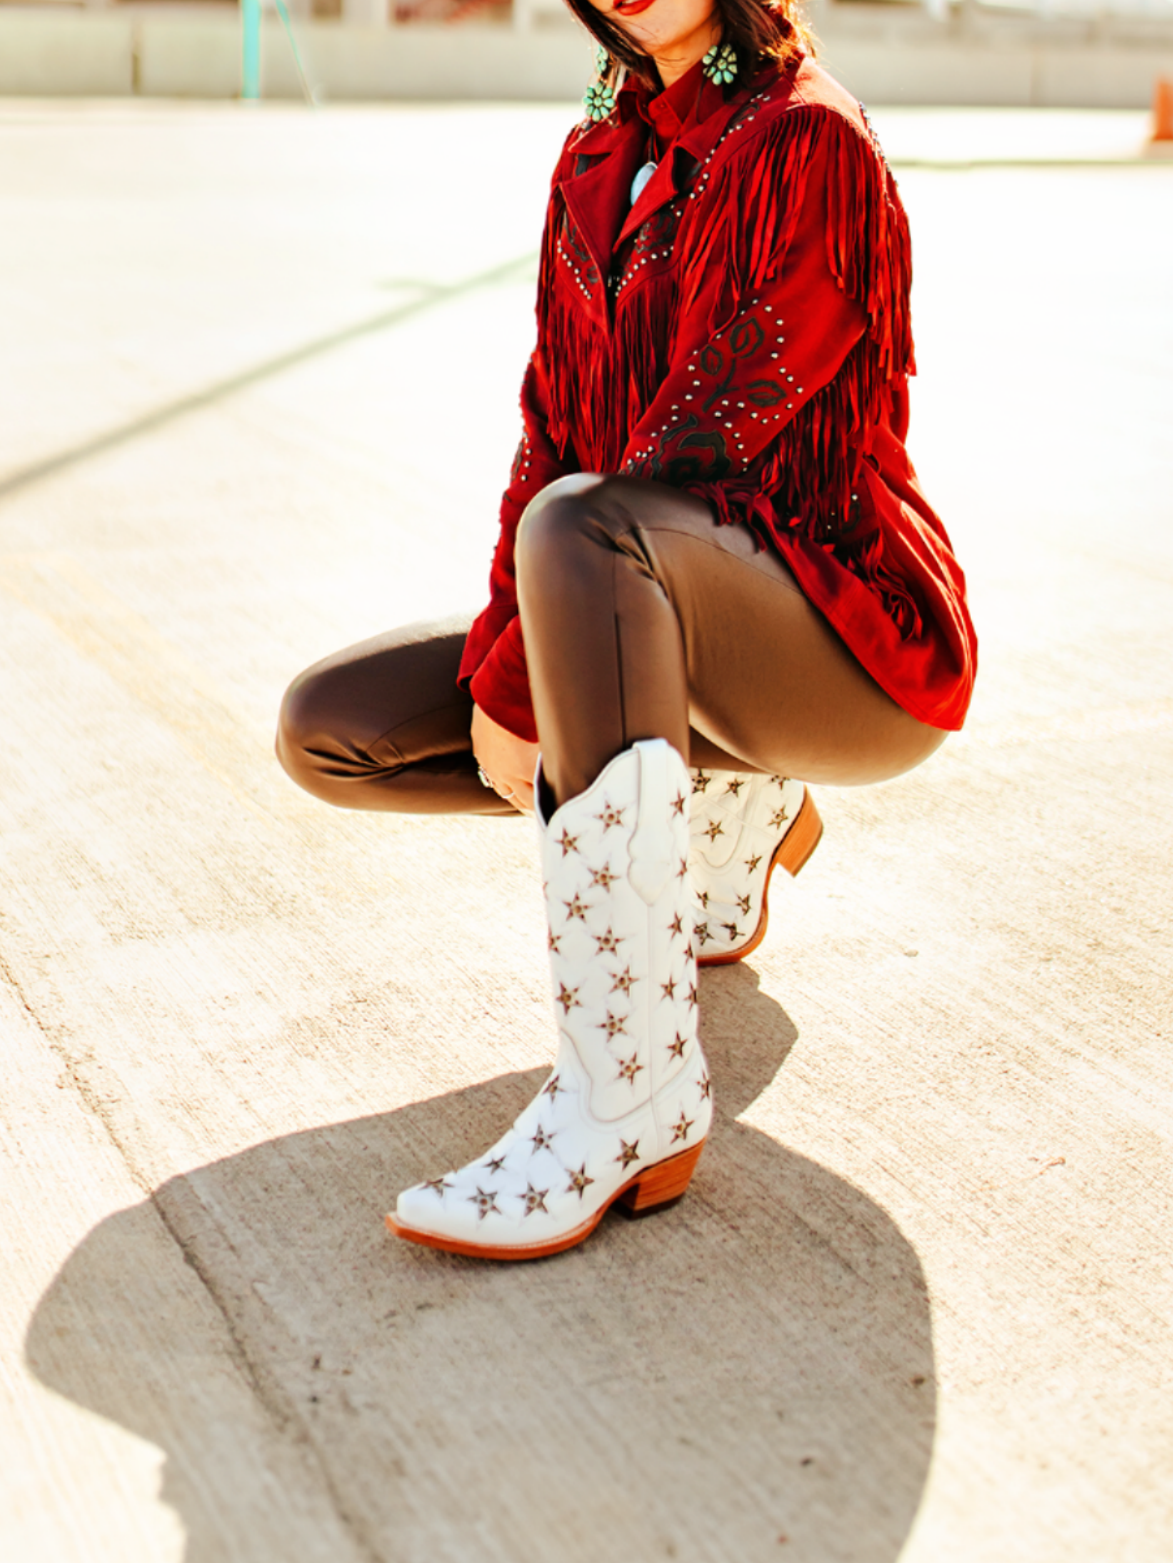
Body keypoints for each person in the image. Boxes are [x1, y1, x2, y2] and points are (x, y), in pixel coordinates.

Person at [276, 0, 976, 1261]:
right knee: (335, 728)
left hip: (845, 636)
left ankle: (631, 1092)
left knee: (586, 532)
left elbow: (702, 445)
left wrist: (527, 680)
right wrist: (505, 656)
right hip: (634, 593)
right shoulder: (599, 153)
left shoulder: (806, 138)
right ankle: (734, 793)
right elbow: (550, 426)